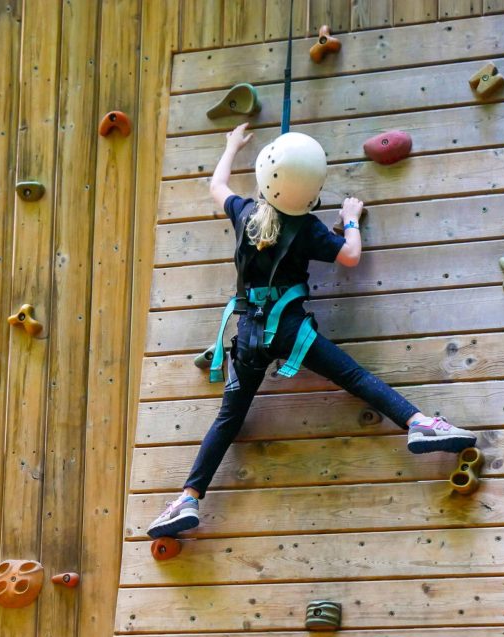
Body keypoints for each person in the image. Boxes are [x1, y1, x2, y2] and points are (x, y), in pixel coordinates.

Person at [148, 124, 477, 539]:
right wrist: (351, 219)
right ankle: (418, 423)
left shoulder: (245, 212)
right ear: (311, 191)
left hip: (248, 334)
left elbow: (217, 184)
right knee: (353, 377)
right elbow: (351, 256)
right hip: (289, 331)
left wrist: (232, 145)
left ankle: (187, 498)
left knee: (229, 418)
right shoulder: (308, 229)